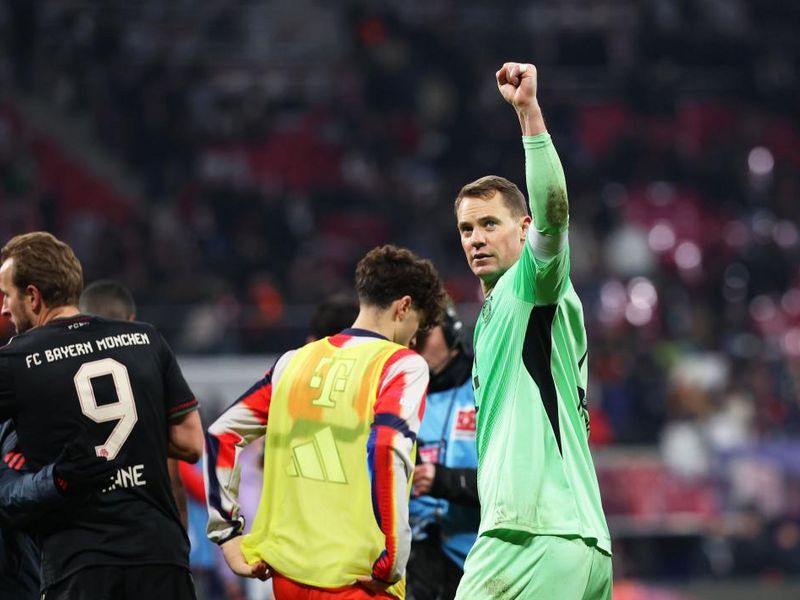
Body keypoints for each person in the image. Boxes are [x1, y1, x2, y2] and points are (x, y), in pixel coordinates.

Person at [452, 63, 612, 599]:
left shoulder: (531, 284)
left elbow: (553, 214)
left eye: (489, 224)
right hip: (582, 540)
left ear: (523, 230)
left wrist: (528, 113)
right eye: (466, 229)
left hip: (529, 535)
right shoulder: (502, 312)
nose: (475, 238)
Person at [205, 244, 446, 600]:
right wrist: (393, 558)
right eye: (418, 327)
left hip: (287, 577)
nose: (414, 340)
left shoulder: (293, 362)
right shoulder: (400, 365)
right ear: (404, 307)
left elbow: (222, 433)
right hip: (358, 579)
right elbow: (386, 445)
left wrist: (226, 534)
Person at [0, 231, 204, 600]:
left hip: (81, 562)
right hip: (161, 557)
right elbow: (191, 443)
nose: (4, 308)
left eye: (6, 295)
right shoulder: (147, 339)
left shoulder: (16, 363)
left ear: (32, 296)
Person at [79, 279, 189, 528]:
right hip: (147, 527)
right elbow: (174, 477)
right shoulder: (150, 375)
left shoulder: (62, 374)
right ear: (131, 319)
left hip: (89, 530)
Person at [407, 303, 479, 600]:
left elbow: (513, 483)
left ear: (452, 333)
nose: (415, 341)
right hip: (419, 561)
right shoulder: (403, 395)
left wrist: (443, 480)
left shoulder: (484, 387)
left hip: (477, 560)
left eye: (426, 332)